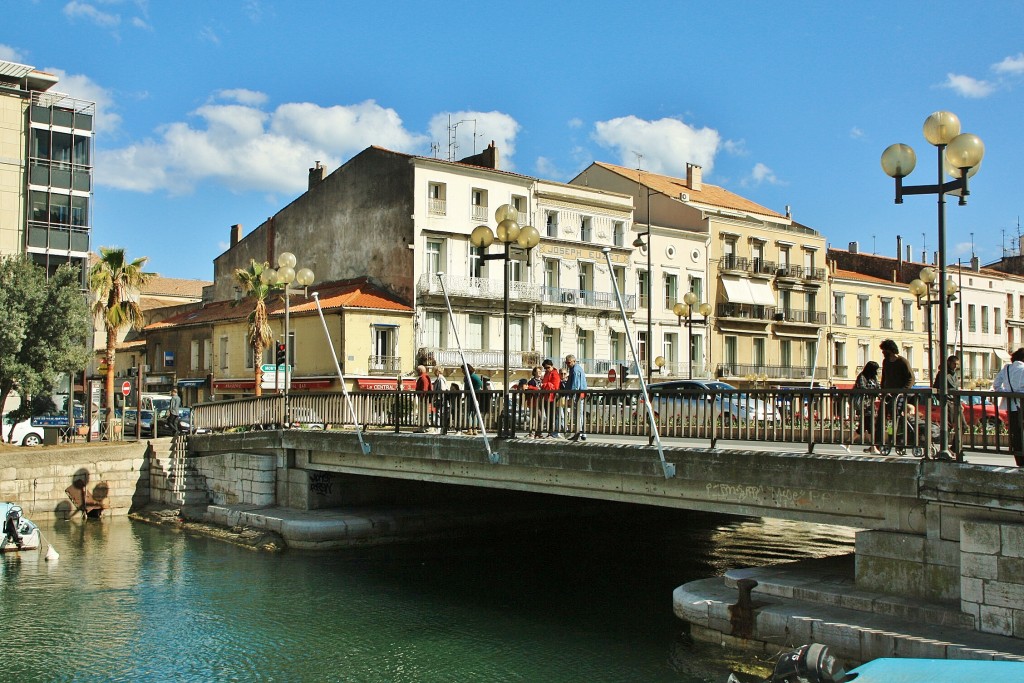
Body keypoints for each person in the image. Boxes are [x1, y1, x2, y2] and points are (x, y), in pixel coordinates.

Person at [876, 339, 915, 453]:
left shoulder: (902, 361)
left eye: (884, 350)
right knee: (886, 419)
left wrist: (903, 391)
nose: (883, 353)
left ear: (890, 350)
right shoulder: (886, 362)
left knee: (899, 419)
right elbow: (884, 377)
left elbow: (911, 378)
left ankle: (900, 441)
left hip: (899, 396)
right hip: (888, 396)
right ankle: (886, 440)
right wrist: (882, 390)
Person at [993, 347, 1024, 467]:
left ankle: (1019, 459)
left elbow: (996, 385)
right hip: (1022, 405)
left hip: (1011, 406)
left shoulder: (1007, 368)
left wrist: (1007, 393)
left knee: (1016, 433)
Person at [933, 354, 965, 460]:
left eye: (957, 364)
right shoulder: (942, 374)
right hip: (948, 402)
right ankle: (945, 448)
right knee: (948, 425)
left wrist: (959, 402)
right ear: (948, 363)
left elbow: (955, 389)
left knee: (963, 425)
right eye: (954, 364)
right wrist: (943, 400)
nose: (955, 366)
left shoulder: (954, 374)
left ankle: (954, 448)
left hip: (956, 402)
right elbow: (936, 389)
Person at [853, 361, 880, 453]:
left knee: (865, 426)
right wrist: (872, 392)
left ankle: (847, 443)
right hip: (864, 404)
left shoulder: (874, 377)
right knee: (869, 425)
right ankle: (873, 448)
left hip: (871, 404)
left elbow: (877, 386)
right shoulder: (862, 376)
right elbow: (862, 387)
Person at [565, 354, 588, 442]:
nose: (567, 364)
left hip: (577, 395)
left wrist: (572, 396)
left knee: (578, 414)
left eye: (569, 362)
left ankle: (579, 433)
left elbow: (575, 385)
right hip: (579, 394)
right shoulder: (575, 369)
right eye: (566, 363)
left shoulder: (575, 370)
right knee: (579, 414)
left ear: (574, 361)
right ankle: (581, 433)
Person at [541, 359, 562, 438]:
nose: (547, 369)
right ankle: (550, 432)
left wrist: (544, 385)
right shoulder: (547, 373)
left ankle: (553, 432)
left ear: (552, 366)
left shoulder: (555, 374)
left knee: (553, 415)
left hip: (553, 397)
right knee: (549, 415)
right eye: (545, 368)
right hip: (547, 397)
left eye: (548, 367)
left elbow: (555, 387)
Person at [527, 366, 545, 437]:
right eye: (538, 371)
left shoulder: (542, 380)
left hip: (541, 401)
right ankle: (532, 432)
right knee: (535, 417)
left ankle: (538, 433)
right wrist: (536, 389)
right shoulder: (531, 381)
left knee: (539, 417)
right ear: (534, 373)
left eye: (540, 371)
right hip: (534, 401)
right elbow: (529, 388)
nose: (540, 372)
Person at [414, 365, 432, 432]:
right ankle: (421, 428)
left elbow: (424, 389)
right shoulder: (423, 377)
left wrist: (422, 397)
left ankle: (425, 428)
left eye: (417, 370)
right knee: (422, 414)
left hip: (424, 399)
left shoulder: (423, 378)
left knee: (423, 413)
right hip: (423, 398)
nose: (417, 372)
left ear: (420, 371)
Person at [432, 367, 449, 432]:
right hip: (440, 399)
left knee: (440, 414)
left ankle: (439, 428)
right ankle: (439, 428)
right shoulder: (439, 379)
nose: (434, 372)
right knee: (439, 413)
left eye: (435, 371)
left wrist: (437, 397)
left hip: (441, 399)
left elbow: (442, 389)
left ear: (438, 371)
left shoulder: (440, 379)